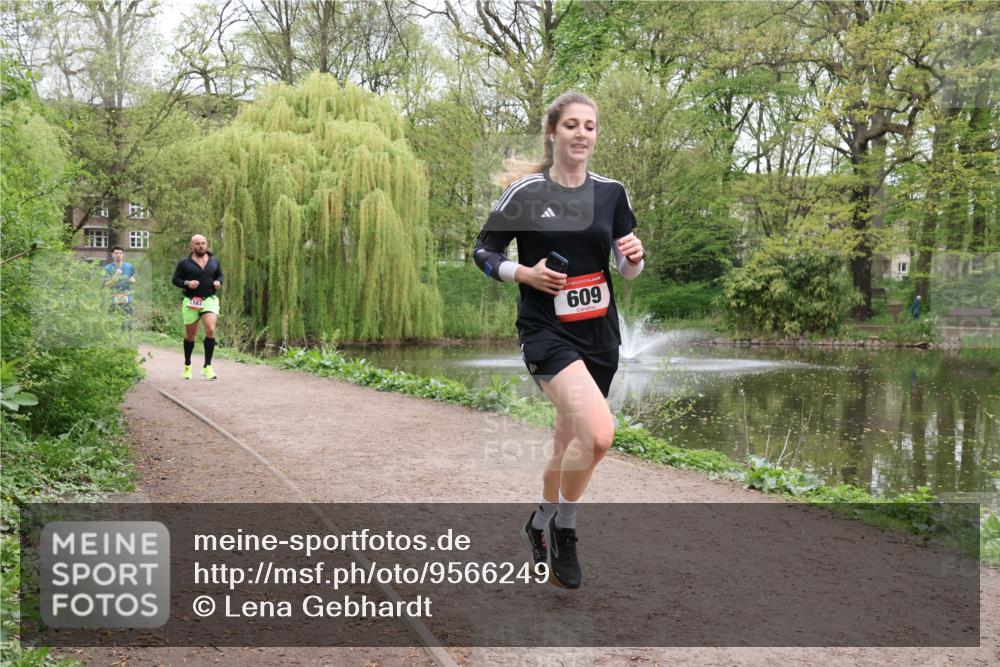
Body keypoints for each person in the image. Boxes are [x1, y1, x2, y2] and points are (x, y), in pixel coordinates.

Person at [472, 92, 645, 588]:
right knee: (599, 435)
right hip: (547, 333)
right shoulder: (528, 193)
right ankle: (565, 529)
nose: (582, 134)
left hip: (599, 335)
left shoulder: (612, 193)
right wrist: (523, 273)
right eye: (572, 125)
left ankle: (539, 521)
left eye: (590, 126)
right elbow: (482, 251)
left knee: (570, 442)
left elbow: (627, 270)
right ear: (553, 133)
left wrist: (634, 256)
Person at [171, 234, 223, 380]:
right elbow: (175, 280)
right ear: (191, 246)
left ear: (207, 244)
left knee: (211, 329)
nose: (201, 246)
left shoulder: (214, 261)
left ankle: (207, 366)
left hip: (209, 300)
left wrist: (219, 282)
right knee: (190, 336)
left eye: (203, 243)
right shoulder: (184, 263)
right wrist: (187, 283)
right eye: (197, 244)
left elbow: (220, 275)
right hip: (191, 301)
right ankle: (187, 365)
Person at [104, 245, 136, 327]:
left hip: (126, 296)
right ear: (112, 255)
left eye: (120, 253)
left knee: (128, 320)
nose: (118, 255)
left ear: (123, 254)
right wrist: (116, 276)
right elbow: (106, 285)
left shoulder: (129, 266)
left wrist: (132, 280)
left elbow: (132, 278)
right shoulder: (107, 268)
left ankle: (128, 337)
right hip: (113, 296)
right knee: (111, 321)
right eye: (116, 253)